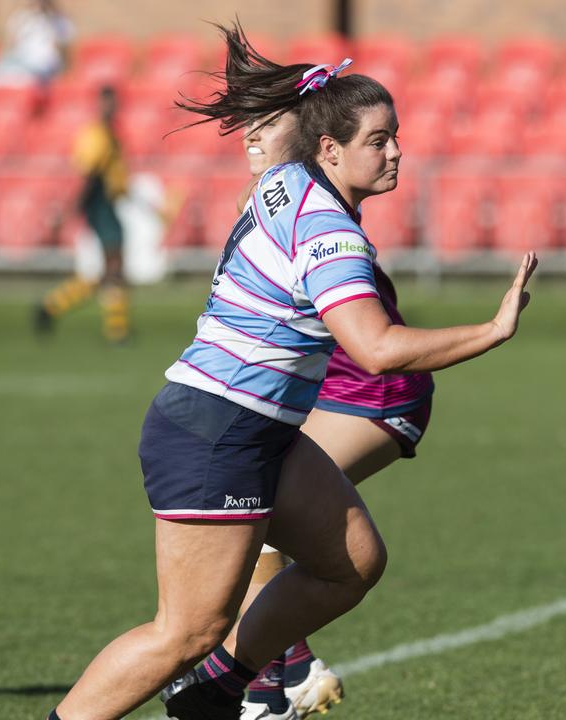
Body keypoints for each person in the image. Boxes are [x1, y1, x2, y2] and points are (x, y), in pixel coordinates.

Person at [48, 21, 538, 720]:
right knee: (183, 632)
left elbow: (282, 146)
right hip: (218, 429)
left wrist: (304, 102)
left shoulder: (285, 183)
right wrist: (492, 330)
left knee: (353, 563)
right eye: (379, 140)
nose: (398, 151)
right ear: (329, 149)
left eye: (397, 135)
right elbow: (375, 349)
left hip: (259, 429)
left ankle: (213, 694)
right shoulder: (329, 233)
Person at [233, 109, 435, 719]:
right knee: (243, 516)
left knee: (248, 511)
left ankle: (274, 688)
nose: (249, 135)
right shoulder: (283, 190)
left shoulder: (307, 195)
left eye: (264, 124)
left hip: (375, 391)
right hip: (337, 388)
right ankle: (288, 673)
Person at [35, 85, 131, 343]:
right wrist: (71, 209)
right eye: (106, 103)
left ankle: (52, 306)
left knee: (111, 268)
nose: (110, 108)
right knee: (114, 265)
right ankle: (116, 330)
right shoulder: (96, 135)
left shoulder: (111, 132)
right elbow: (88, 176)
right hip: (98, 201)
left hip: (107, 200)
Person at [0, 0, 74, 87]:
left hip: (42, 66)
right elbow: (11, 44)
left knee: (19, 78)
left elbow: (64, 47)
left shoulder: (56, 19)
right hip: (20, 62)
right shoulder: (20, 17)